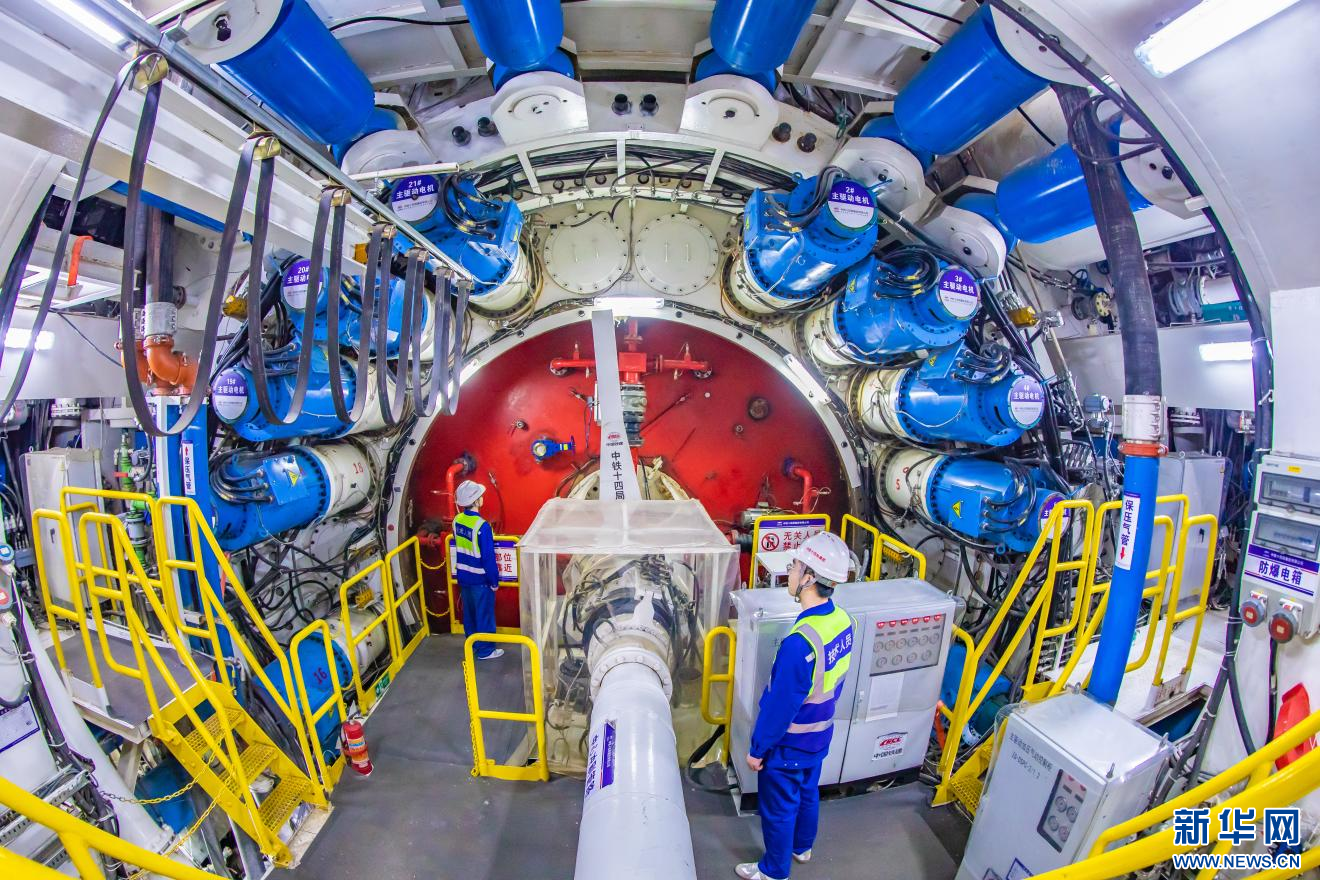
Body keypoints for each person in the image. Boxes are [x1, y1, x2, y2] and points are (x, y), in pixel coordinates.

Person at [737, 531, 855, 880]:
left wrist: (758, 749)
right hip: (820, 734)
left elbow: (780, 706)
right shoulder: (843, 621)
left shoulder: (799, 644)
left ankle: (774, 870)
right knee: (807, 792)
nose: (789, 571)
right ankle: (802, 847)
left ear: (809, 578)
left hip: (790, 742)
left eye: (795, 565)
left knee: (779, 808)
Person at [452, 479, 504, 660]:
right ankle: (486, 651)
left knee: (470, 614)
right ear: (475, 501)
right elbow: (488, 558)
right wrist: (494, 581)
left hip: (463, 577)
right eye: (480, 496)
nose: (482, 498)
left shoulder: (457, 520)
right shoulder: (482, 526)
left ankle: (473, 645)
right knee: (484, 614)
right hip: (480, 580)